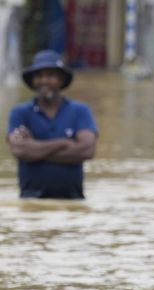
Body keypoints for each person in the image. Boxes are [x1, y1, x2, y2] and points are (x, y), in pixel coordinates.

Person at [6, 49, 98, 199]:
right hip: (31, 203)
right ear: (33, 81)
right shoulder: (20, 112)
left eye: (50, 75)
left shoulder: (80, 110)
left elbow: (87, 150)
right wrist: (64, 143)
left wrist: (34, 148)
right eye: (39, 76)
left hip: (73, 202)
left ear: (61, 79)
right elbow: (19, 150)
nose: (44, 81)